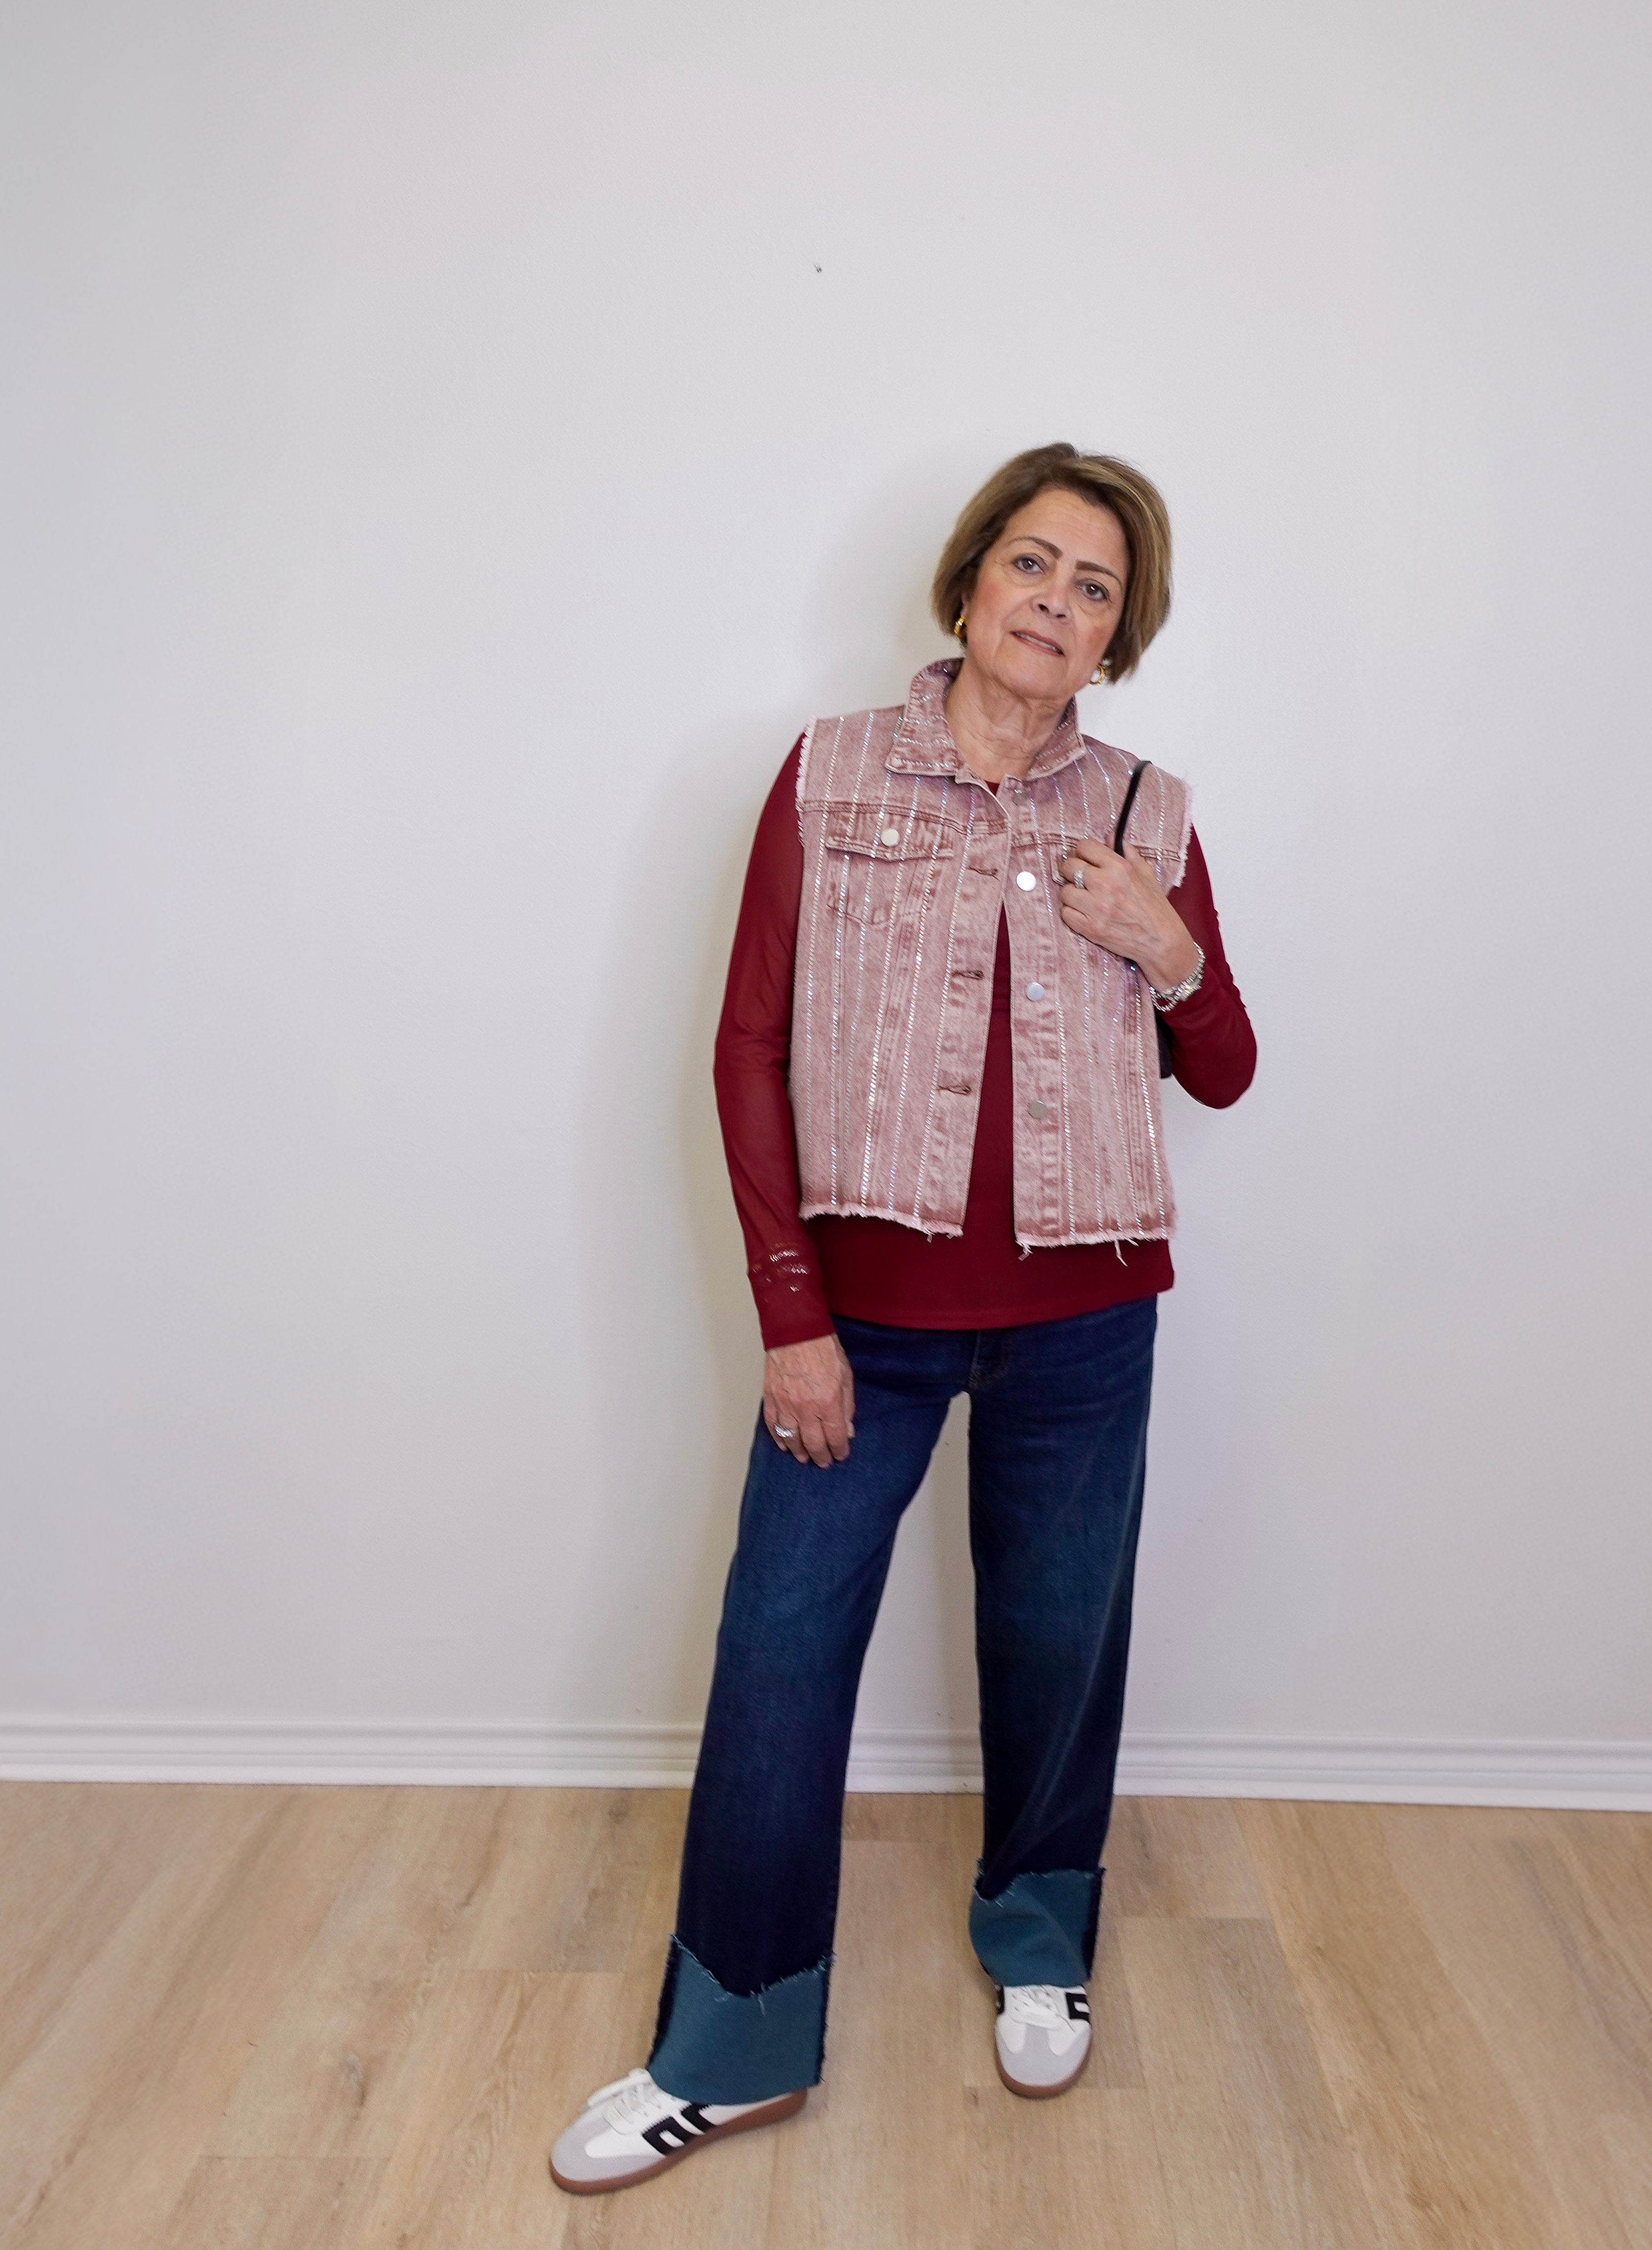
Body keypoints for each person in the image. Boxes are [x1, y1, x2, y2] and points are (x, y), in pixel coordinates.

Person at [549, 443, 1256, 2195]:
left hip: (1089, 1321)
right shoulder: (831, 771)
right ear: (966, 584)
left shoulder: (1148, 811)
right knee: (781, 1656)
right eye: (1032, 562)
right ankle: (731, 2040)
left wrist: (1167, 946)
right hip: (861, 1323)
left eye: (1095, 587)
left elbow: (1225, 1068)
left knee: (1053, 1645)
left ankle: (1038, 1937)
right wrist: (795, 1310)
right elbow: (744, 1046)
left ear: (1116, 638)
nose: (1055, 602)